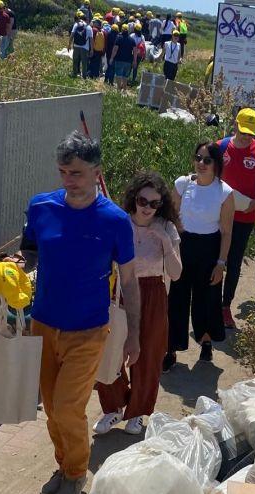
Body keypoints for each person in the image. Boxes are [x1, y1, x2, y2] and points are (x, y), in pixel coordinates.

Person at [20, 134, 140, 494]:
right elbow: (31, 252)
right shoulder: (41, 207)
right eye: (63, 172)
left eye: (77, 173)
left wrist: (133, 335)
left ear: (96, 173)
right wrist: (19, 269)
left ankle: (76, 472)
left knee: (69, 407)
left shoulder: (115, 220)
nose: (69, 180)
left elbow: (131, 281)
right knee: (52, 407)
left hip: (88, 329)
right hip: (43, 323)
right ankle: (64, 464)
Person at [96, 173, 181, 436]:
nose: (147, 207)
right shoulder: (119, 223)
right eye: (143, 200)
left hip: (154, 291)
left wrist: (164, 241)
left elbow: (176, 273)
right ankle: (113, 407)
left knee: (149, 355)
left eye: (154, 203)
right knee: (110, 350)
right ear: (134, 197)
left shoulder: (167, 227)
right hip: (120, 290)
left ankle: (138, 412)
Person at [165, 142, 233, 370]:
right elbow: (170, 215)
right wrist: (176, 235)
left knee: (207, 298)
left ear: (216, 164)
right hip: (184, 246)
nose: (201, 164)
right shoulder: (183, 184)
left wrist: (221, 263)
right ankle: (171, 348)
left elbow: (226, 232)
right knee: (177, 298)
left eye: (207, 160)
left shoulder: (224, 193)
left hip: (209, 249)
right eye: (198, 158)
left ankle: (205, 342)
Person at [216, 108, 255, 328]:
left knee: (233, 263)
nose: (246, 137)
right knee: (214, 260)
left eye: (251, 133)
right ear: (235, 125)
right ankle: (210, 306)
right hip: (218, 216)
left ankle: (225, 307)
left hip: (244, 217)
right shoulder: (220, 147)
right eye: (243, 131)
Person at [110, 22, 136, 90]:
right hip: (128, 61)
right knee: (125, 76)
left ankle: (118, 88)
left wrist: (111, 58)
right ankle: (124, 89)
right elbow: (135, 51)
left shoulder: (119, 38)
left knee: (118, 74)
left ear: (121, 30)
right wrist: (134, 61)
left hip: (119, 60)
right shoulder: (132, 40)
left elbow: (115, 49)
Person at [68, 12, 93, 78]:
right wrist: (92, 50)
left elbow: (72, 35)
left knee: (75, 61)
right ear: (86, 19)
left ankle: (74, 74)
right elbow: (91, 40)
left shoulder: (76, 25)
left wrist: (69, 44)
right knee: (84, 62)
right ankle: (84, 76)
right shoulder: (89, 27)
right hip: (85, 47)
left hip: (76, 46)